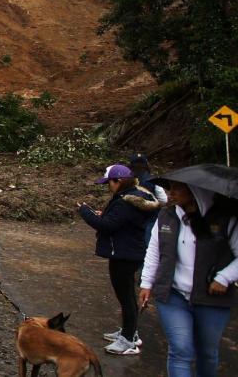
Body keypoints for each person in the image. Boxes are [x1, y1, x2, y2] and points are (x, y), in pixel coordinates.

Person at [139, 181, 238, 377]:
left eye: (177, 188)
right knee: (180, 350)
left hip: (211, 297)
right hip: (173, 294)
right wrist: (146, 283)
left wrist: (224, 278)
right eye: (170, 188)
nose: (171, 193)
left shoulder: (226, 220)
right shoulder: (167, 215)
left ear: (196, 192)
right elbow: (154, 250)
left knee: (207, 353)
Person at [78, 164, 158, 355]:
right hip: (128, 251)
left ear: (119, 181)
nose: (108, 186)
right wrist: (103, 214)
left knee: (126, 297)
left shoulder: (124, 202)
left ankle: (128, 340)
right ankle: (130, 332)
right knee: (127, 296)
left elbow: (107, 226)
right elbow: (117, 221)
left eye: (110, 183)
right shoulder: (134, 197)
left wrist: (85, 212)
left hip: (125, 253)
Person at [128, 153, 168, 245]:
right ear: (146, 164)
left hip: (131, 218)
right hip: (150, 218)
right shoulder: (154, 180)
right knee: (149, 244)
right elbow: (164, 200)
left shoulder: (127, 180)